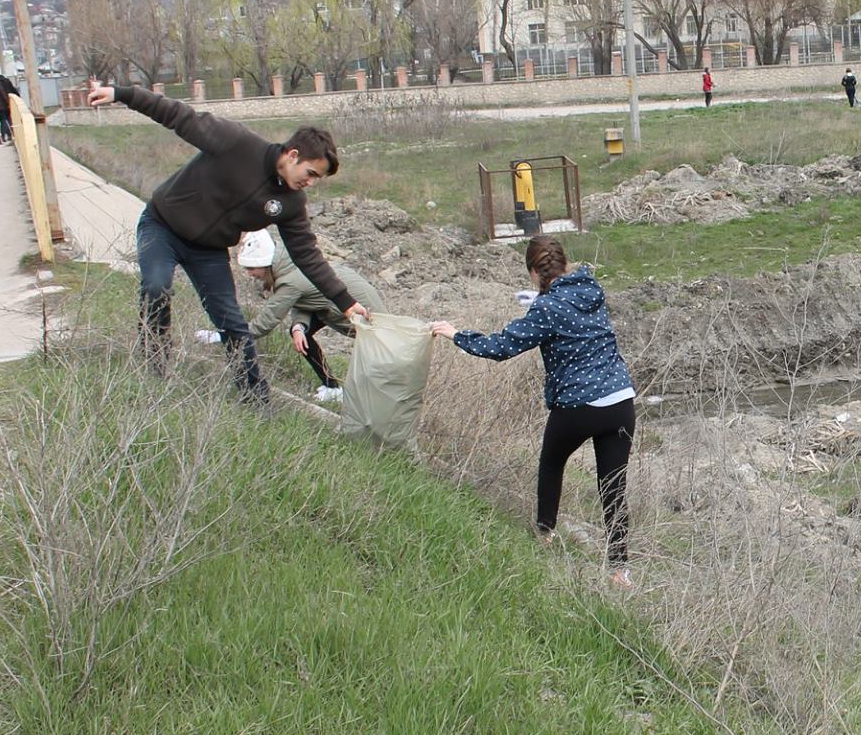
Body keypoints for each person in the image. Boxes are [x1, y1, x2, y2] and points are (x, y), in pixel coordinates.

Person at [86, 80, 364, 403]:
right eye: (311, 173)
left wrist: (345, 302)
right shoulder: (236, 143)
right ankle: (155, 367)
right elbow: (176, 114)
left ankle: (256, 399)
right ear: (293, 155)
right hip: (162, 226)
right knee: (156, 286)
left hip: (209, 250)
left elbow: (307, 256)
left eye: (317, 179)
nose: (311, 183)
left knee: (232, 322)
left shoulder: (291, 203)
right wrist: (121, 94)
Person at [431, 234, 637, 587]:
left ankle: (544, 535)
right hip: (620, 401)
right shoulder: (592, 289)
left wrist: (456, 334)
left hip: (578, 405)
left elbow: (501, 347)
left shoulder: (546, 308)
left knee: (552, 463)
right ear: (565, 263)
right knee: (613, 487)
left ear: (532, 272)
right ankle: (620, 571)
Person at [234, 229, 386, 404]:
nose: (249, 273)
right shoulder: (291, 260)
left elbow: (265, 323)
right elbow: (307, 299)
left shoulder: (290, 281)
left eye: (251, 268)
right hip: (339, 302)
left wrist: (228, 335)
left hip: (361, 308)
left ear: (265, 264)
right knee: (301, 334)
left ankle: (370, 401)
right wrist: (299, 327)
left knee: (378, 356)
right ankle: (332, 388)